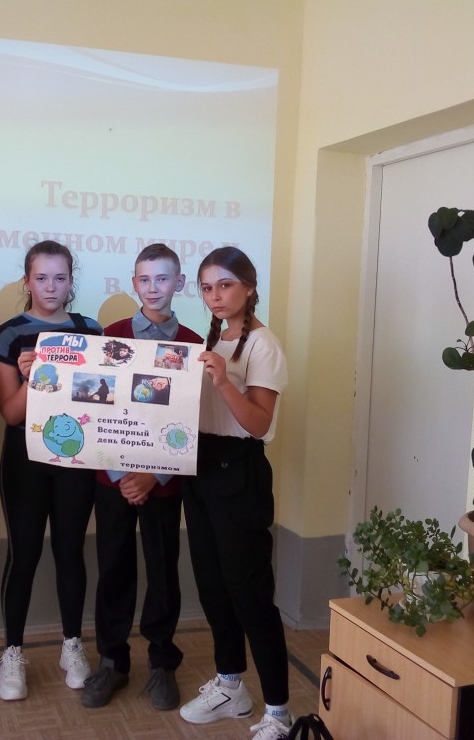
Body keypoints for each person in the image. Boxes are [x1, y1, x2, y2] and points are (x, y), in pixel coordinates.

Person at [81, 243, 203, 711]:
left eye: (163, 279)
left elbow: (190, 420)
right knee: (113, 568)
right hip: (113, 481)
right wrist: (124, 474)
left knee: (163, 570)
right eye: (145, 279)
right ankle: (112, 661)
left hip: (163, 484)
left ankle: (162, 663)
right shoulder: (110, 336)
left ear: (179, 283)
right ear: (134, 283)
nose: (153, 288)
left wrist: (152, 473)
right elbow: (95, 406)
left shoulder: (192, 343)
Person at [177, 246, 292, 740]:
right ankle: (230, 685)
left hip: (239, 471)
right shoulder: (212, 338)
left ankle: (279, 712)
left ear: (248, 286)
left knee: (250, 593)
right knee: (213, 585)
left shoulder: (263, 344)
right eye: (207, 287)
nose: (215, 296)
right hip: (199, 467)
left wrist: (225, 382)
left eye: (225, 285)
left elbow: (259, 424)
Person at [0, 240, 103, 700]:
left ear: (71, 280)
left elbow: (103, 399)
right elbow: (11, 413)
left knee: (71, 551)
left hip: (76, 458)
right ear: (27, 281)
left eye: (60, 277)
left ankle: (72, 645)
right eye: (41, 278)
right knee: (24, 555)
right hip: (26, 461)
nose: (51, 287)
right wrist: (34, 376)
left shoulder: (90, 330)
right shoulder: (8, 335)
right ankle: (12, 653)